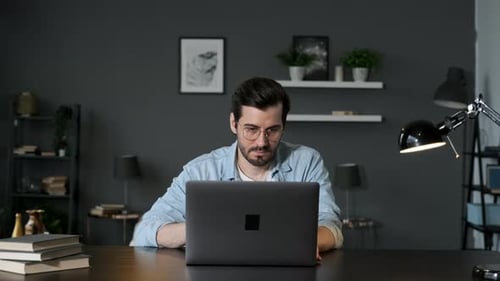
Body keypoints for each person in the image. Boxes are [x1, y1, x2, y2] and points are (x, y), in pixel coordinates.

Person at [130, 77, 343, 258]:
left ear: (283, 126)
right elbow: (144, 232)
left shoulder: (306, 162)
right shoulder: (201, 170)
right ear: (234, 123)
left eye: (272, 130)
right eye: (251, 129)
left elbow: (331, 226)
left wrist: (304, 244)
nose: (262, 142)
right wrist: (203, 230)